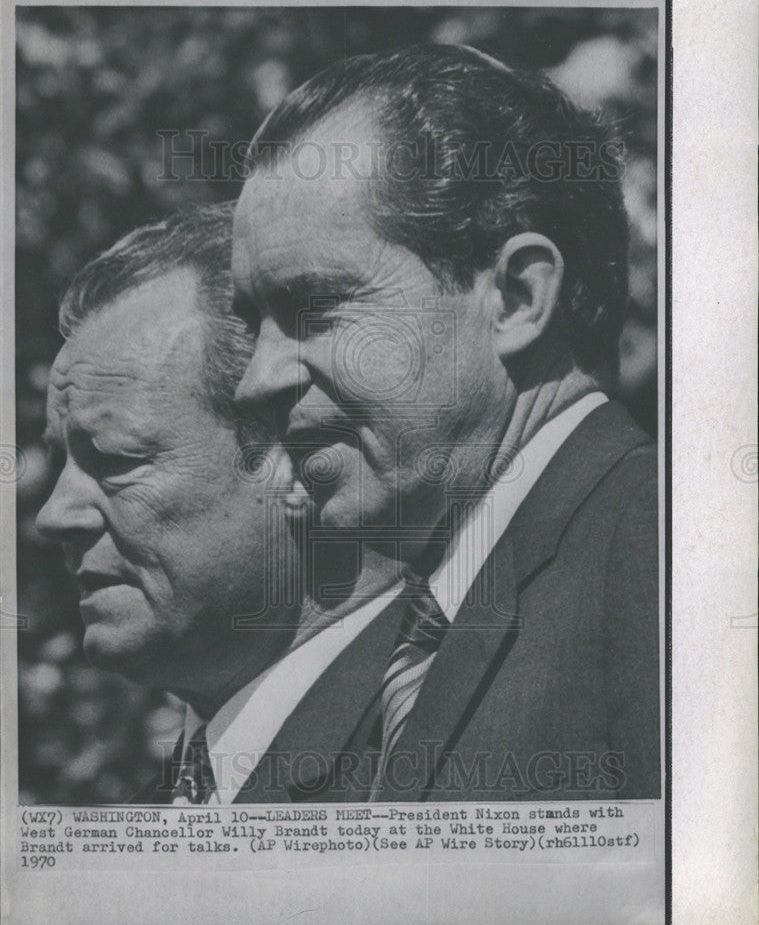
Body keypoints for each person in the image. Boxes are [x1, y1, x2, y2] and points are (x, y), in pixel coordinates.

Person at [231, 44, 660, 802]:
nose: (256, 381)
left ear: (516, 300)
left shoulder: (668, 559)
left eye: (316, 308)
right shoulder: (396, 643)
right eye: (252, 324)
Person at [36, 203, 310, 804]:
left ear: (287, 453)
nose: (53, 516)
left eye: (116, 459)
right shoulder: (153, 813)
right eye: (60, 463)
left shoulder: (439, 751)